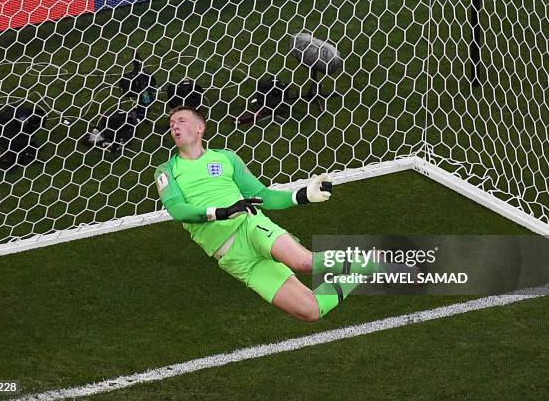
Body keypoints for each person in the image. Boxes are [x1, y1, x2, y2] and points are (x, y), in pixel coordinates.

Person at [155, 106, 383, 321]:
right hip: (233, 257)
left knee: (304, 262)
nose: (174, 126)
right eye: (172, 123)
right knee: (311, 310)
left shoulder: (227, 158)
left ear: (199, 127)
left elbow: (262, 194)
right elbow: (178, 209)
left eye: (181, 121)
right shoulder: (166, 171)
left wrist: (302, 196)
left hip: (251, 226)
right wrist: (222, 212)